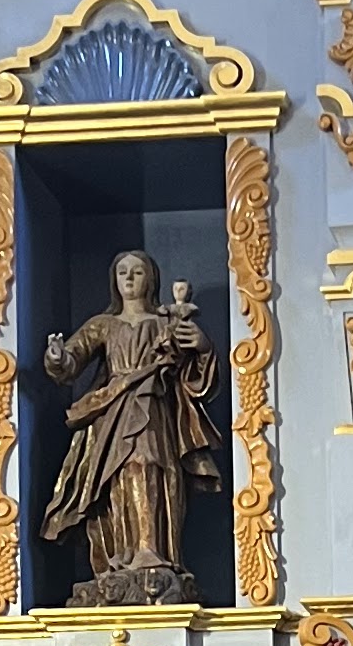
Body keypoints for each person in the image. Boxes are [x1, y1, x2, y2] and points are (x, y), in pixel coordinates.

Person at [39, 248, 222, 597]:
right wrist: (58, 356)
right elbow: (73, 359)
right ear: (114, 280)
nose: (129, 278)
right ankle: (123, 554)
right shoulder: (103, 324)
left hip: (155, 406)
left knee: (152, 465)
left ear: (150, 280)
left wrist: (203, 347)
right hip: (114, 411)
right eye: (122, 271)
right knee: (118, 477)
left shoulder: (165, 323)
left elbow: (194, 378)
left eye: (137, 272)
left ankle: (154, 550)